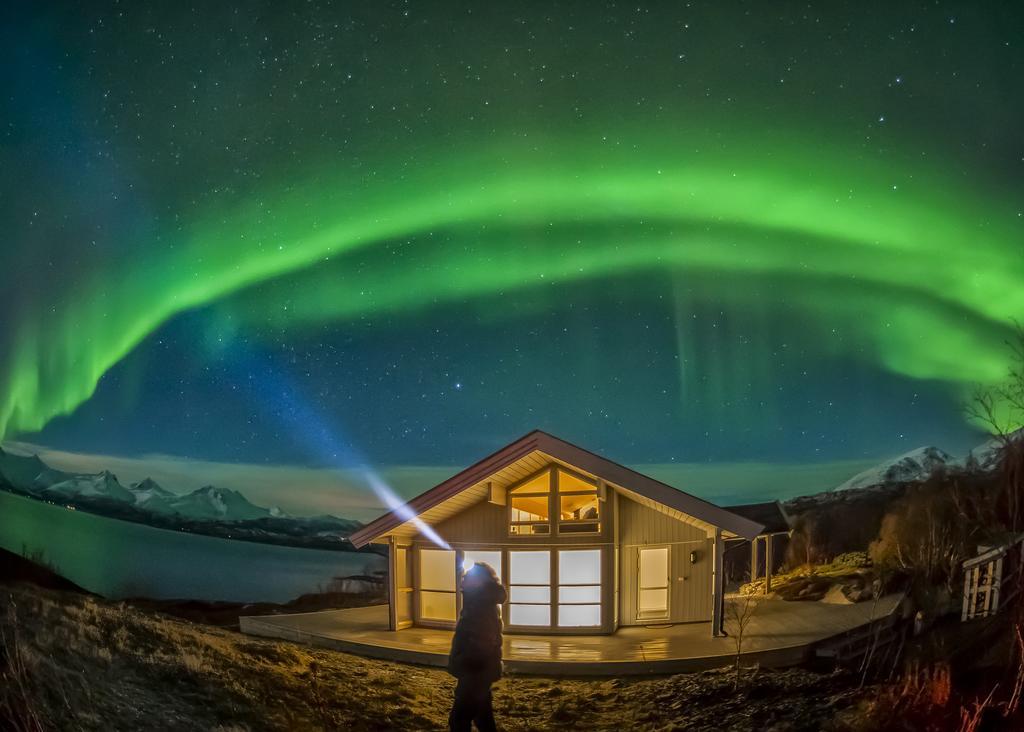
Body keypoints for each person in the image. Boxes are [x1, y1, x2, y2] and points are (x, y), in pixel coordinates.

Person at [447, 562, 506, 732]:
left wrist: (468, 665)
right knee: (483, 718)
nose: (464, 578)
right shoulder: (479, 602)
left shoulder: (480, 605)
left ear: (479, 581)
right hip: (479, 671)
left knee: (459, 720)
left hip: (475, 672)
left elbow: (483, 640)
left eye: (468, 576)